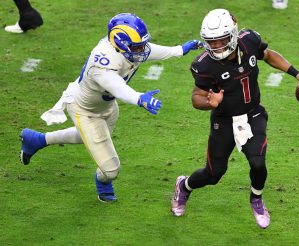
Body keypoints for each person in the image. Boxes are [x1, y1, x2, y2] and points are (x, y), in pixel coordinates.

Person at [19, 13, 203, 203]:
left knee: (91, 137)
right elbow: (118, 87)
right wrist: (140, 98)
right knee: (111, 169)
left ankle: (38, 140)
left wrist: (179, 50)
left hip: (107, 108)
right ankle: (103, 183)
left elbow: (149, 51)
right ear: (121, 44)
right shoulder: (102, 62)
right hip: (85, 111)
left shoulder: (126, 48)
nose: (142, 50)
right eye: (137, 46)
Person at [170, 8, 299, 229]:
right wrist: (209, 103)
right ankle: (184, 187)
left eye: (220, 41)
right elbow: (196, 97)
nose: (216, 46)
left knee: (258, 163)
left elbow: (267, 55)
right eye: (211, 42)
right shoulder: (204, 65)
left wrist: (296, 73)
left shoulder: (248, 41)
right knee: (213, 174)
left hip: (253, 113)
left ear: (232, 34)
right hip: (224, 120)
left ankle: (256, 199)